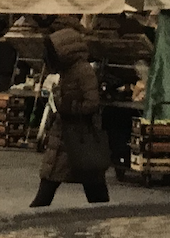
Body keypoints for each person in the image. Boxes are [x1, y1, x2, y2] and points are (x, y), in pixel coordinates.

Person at [30, 25, 110, 207]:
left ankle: (104, 214)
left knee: (87, 178)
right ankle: (103, 213)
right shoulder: (68, 70)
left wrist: (69, 107)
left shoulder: (82, 70)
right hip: (66, 133)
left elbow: (92, 103)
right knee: (61, 176)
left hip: (77, 134)